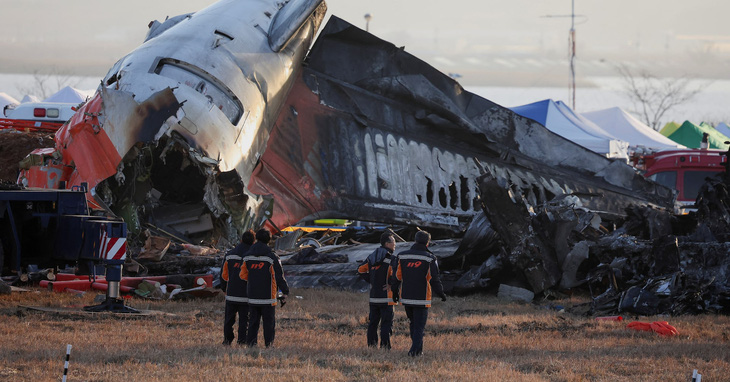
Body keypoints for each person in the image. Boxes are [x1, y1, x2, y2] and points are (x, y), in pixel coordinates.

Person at [389, 230, 446, 357]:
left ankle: (418, 351)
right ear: (428, 243)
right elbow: (434, 278)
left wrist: (394, 292)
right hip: (422, 298)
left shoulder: (402, 256)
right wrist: (441, 293)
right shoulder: (430, 258)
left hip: (407, 298)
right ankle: (413, 352)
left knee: (413, 324)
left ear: (415, 240)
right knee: (419, 327)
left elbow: (397, 277)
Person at [239, 228, 289, 347]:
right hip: (268, 298)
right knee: (269, 323)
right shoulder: (272, 257)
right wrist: (284, 293)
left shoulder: (247, 257)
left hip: (252, 296)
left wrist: (253, 281)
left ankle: (251, 344)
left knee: (253, 322)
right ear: (269, 240)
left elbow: (242, 275)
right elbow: (279, 277)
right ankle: (268, 345)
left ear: (256, 239)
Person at [357, 232, 397, 349]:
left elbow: (360, 269)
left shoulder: (371, 257)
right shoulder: (391, 258)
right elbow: (397, 275)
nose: (395, 245)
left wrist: (372, 281)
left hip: (374, 297)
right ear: (387, 243)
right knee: (386, 323)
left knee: (373, 323)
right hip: (387, 298)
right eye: (393, 242)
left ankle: (371, 346)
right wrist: (390, 283)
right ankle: (385, 347)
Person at [220, 229, 255, 345]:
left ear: (241, 240)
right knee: (244, 320)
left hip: (231, 294)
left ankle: (227, 340)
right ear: (254, 242)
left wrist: (224, 288)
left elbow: (224, 275)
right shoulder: (253, 257)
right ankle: (241, 340)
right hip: (246, 295)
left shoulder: (229, 255)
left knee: (229, 320)